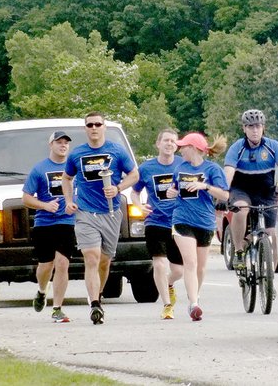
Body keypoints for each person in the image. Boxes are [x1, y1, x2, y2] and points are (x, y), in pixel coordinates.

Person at [62, 113, 139, 325]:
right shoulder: (77, 154)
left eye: (98, 124)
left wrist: (118, 188)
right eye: (90, 125)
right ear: (85, 129)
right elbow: (66, 178)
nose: (94, 128)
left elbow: (134, 174)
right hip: (86, 212)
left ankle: (98, 294)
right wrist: (69, 200)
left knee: (105, 261)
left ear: (104, 127)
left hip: (111, 212)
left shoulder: (117, 151)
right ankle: (95, 304)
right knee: (92, 258)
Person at [166, 132, 228, 321]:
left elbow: (225, 195)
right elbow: (175, 189)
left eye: (183, 147)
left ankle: (194, 296)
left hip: (204, 222)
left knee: (201, 267)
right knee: (190, 263)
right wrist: (171, 192)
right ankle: (194, 305)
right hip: (182, 219)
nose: (180, 150)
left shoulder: (212, 169)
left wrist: (205, 187)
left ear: (193, 149)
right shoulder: (180, 168)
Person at [224, 109, 278, 271]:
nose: (254, 130)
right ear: (244, 128)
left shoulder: (274, 146)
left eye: (258, 126)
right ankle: (240, 251)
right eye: (250, 127)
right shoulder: (237, 148)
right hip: (241, 189)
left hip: (265, 191)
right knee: (241, 210)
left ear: (263, 127)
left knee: (273, 233)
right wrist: (223, 194)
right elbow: (228, 172)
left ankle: (271, 277)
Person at [131, 128, 184, 320]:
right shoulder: (146, 168)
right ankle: (167, 305)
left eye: (173, 141)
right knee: (160, 264)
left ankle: (169, 284)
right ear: (158, 144)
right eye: (166, 140)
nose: (170, 144)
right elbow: (134, 192)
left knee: (178, 270)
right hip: (155, 221)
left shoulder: (183, 164)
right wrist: (139, 206)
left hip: (179, 221)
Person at [22, 131, 75, 323]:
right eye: (59, 142)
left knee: (63, 263)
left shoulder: (73, 167)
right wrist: (44, 205)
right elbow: (26, 197)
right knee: (46, 265)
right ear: (50, 145)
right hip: (44, 223)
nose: (63, 146)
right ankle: (42, 291)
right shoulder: (39, 169)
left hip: (67, 222)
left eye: (66, 143)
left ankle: (57, 308)